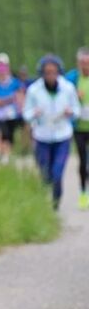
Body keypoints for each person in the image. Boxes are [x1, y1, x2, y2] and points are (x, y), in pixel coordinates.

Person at [24, 54, 79, 210]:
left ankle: (55, 203)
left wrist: (71, 112)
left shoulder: (67, 88)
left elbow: (76, 109)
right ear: (42, 73)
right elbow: (26, 113)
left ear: (59, 72)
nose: (50, 75)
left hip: (62, 135)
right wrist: (34, 113)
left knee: (57, 172)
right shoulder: (34, 90)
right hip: (42, 136)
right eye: (47, 72)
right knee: (45, 172)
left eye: (53, 72)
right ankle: (44, 199)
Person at [0, 52, 24, 164]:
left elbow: (20, 97)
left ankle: (6, 156)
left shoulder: (15, 82)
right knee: (0, 133)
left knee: (9, 136)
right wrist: (7, 100)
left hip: (11, 115)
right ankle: (0, 155)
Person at [65, 47, 89, 209]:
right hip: (79, 127)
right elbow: (62, 97)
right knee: (82, 160)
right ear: (78, 63)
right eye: (83, 63)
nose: (85, 66)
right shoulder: (71, 78)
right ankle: (82, 192)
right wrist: (74, 94)